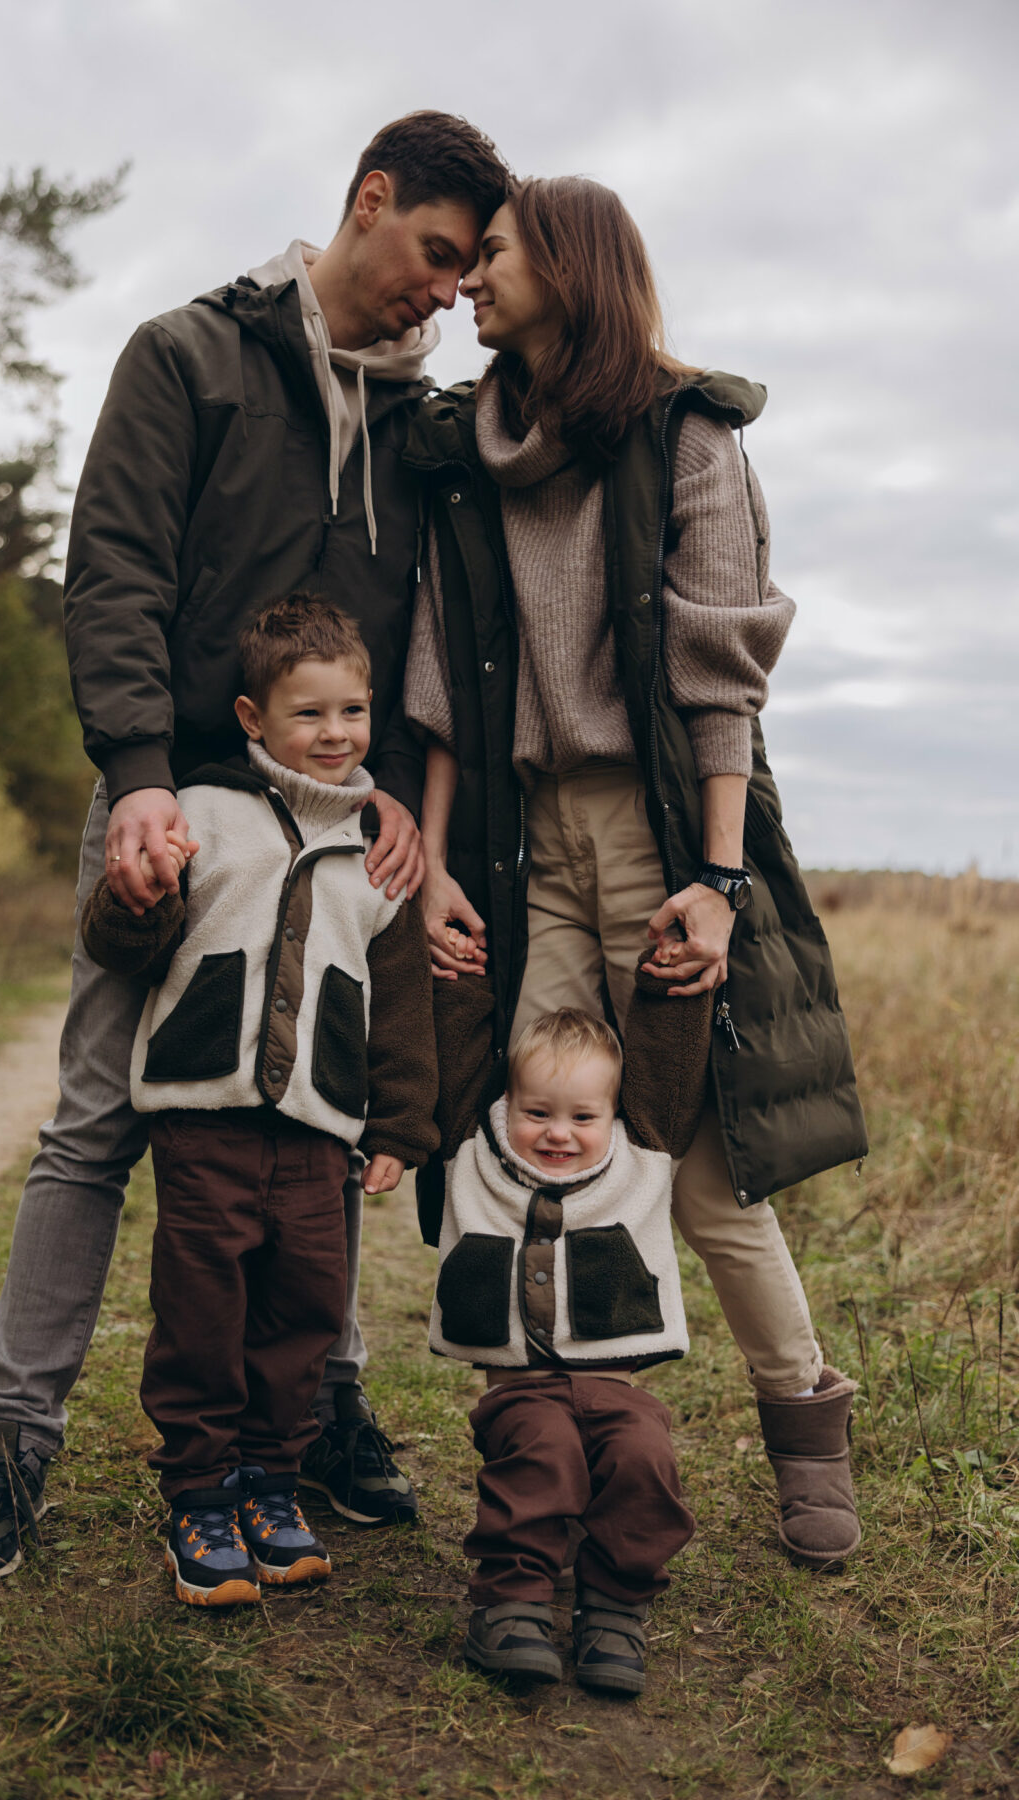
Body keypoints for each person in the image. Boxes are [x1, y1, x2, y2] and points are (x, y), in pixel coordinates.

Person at [0, 113, 510, 1582]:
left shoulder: (423, 432)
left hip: (335, 832)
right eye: (436, 257)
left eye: (464, 276)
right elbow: (113, 568)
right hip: (175, 808)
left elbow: (427, 636)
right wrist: (134, 774)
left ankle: (321, 1408)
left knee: (316, 1125)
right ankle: (13, 1440)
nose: (444, 294)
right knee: (95, 1126)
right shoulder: (186, 356)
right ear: (369, 203)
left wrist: (375, 786)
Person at [403, 177, 867, 1571]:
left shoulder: (688, 431)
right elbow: (436, 673)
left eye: (491, 254)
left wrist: (718, 881)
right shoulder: (466, 454)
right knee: (523, 1139)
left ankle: (804, 1420)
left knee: (708, 1173)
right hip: (526, 839)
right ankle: (542, 1437)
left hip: (667, 841)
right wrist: (428, 865)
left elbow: (722, 677)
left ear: (570, 262)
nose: (470, 280)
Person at [77, 596, 438, 1605]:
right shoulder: (204, 812)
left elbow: (399, 1001)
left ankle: (272, 1486)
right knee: (202, 1308)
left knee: (303, 1311)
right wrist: (136, 895)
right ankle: (197, 1493)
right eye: (309, 714)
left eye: (353, 712)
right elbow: (126, 949)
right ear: (253, 717)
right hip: (202, 1119)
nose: (335, 734)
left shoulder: (380, 847)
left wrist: (402, 1124)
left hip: (319, 1132)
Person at [430, 983, 708, 1694]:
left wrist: (673, 982)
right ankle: (512, 1604)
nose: (559, 1133)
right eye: (537, 1113)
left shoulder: (643, 1157)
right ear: (505, 1106)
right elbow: (460, 1055)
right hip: (521, 1391)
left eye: (584, 1116)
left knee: (645, 1456)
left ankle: (614, 1607)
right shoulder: (473, 1150)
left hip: (618, 1389)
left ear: (614, 1115)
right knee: (541, 1456)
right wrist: (461, 975)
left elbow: (671, 1062)